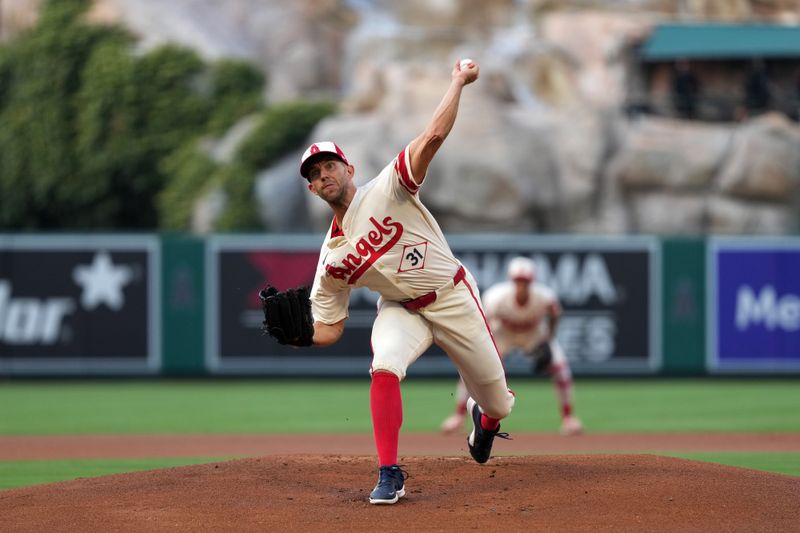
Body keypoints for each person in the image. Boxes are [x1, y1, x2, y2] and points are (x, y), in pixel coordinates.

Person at [298, 60, 515, 505]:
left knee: (499, 403)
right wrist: (300, 336)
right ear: (312, 190)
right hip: (401, 309)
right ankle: (389, 472)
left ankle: (484, 421)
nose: (323, 176)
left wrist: (456, 81)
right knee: (384, 366)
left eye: (329, 167)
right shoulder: (331, 261)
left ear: (348, 168)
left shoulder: (390, 187)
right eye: (315, 175)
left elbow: (432, 137)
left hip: (453, 296)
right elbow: (331, 327)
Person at [441, 256, 583, 437]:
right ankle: (458, 416)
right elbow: (485, 325)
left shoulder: (544, 296)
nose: (521, 285)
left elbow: (555, 314)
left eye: (525, 281)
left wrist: (548, 338)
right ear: (511, 280)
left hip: (534, 334)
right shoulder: (496, 296)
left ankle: (568, 418)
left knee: (561, 369)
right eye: (518, 281)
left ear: (532, 281)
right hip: (502, 335)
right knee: (474, 368)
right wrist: (489, 353)